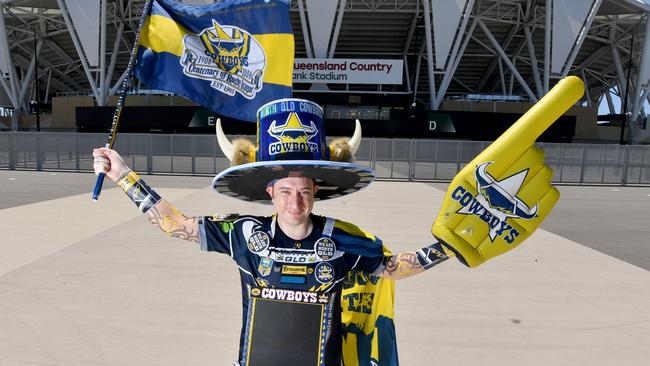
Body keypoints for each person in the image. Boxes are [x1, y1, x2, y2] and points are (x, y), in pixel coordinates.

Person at [93, 98, 449, 366]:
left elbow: (392, 268)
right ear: (270, 193)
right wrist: (124, 176)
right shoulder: (244, 233)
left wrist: (448, 247)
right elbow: (176, 225)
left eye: (304, 191)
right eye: (285, 191)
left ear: (317, 192)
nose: (295, 202)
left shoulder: (342, 240)